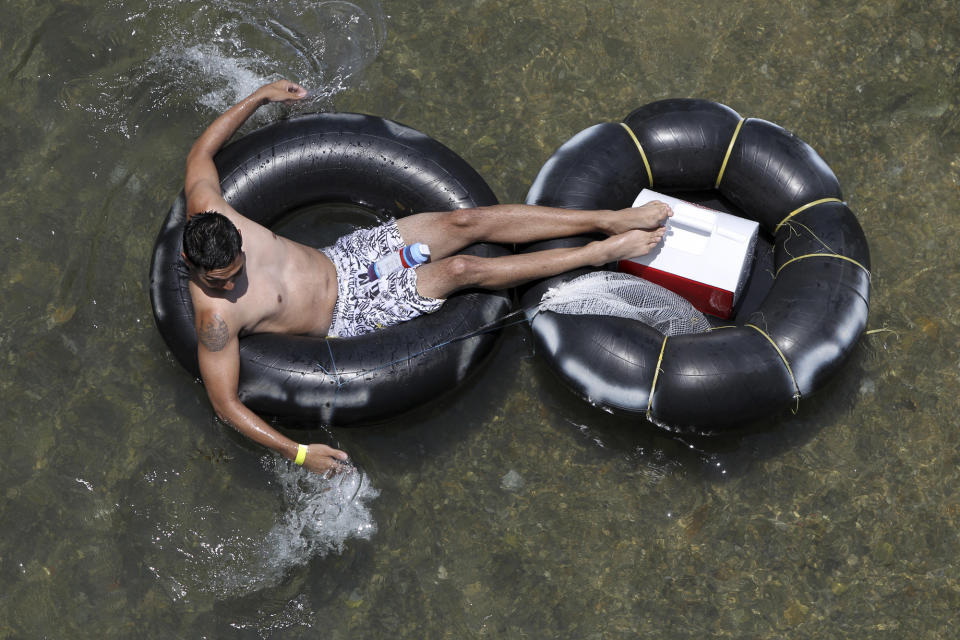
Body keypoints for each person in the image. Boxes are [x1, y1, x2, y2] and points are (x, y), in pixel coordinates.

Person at [182, 79, 672, 475]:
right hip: (351, 312)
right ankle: (602, 251)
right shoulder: (216, 318)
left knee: (466, 223)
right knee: (463, 269)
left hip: (347, 257)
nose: (228, 284)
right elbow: (225, 403)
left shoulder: (210, 208)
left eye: (233, 272)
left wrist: (260, 95)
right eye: (218, 280)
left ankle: (607, 219)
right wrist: (300, 454)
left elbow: (201, 154)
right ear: (194, 268)